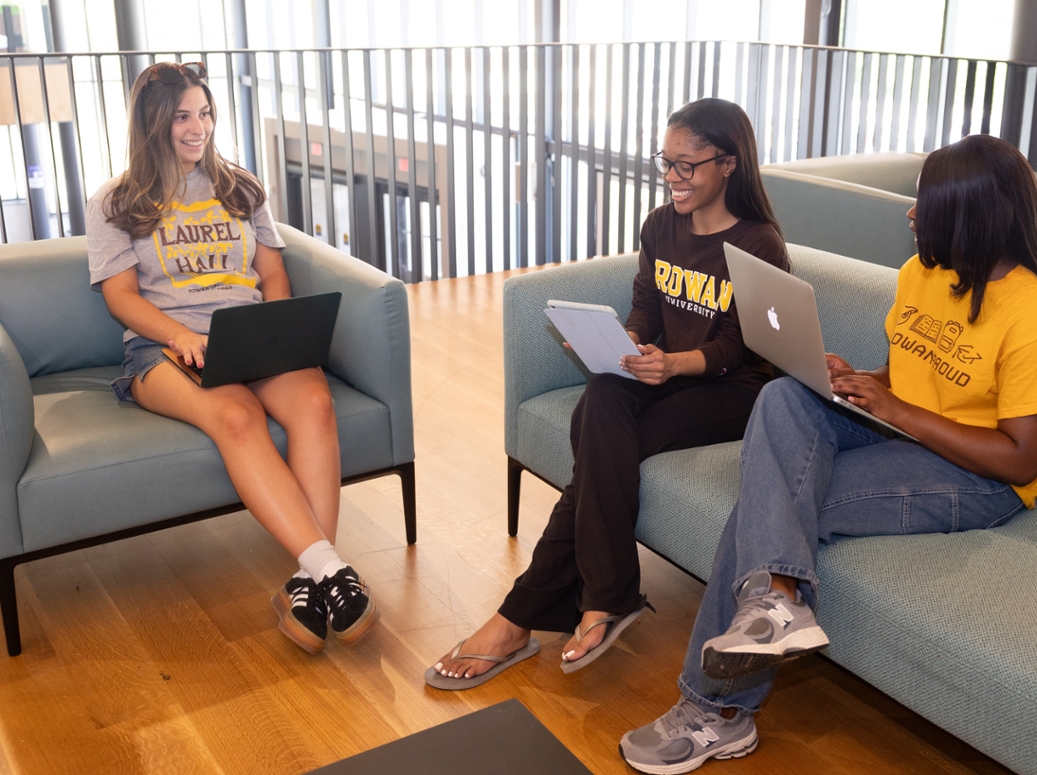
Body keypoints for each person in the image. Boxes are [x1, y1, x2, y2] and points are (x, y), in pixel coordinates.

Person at [619, 134, 1037, 773]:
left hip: (977, 477)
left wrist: (898, 411)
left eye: (926, 203)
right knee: (782, 396)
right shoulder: (925, 273)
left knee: (768, 504)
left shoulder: (1036, 314)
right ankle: (777, 601)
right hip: (900, 431)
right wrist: (859, 380)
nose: (912, 214)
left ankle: (717, 713)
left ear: (972, 213)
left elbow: (1022, 458)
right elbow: (912, 370)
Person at [425, 98, 790, 689]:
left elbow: (739, 348)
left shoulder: (757, 243)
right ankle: (603, 598)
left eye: (687, 165)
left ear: (728, 164)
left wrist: (674, 365)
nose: (672, 178)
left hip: (732, 391)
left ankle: (527, 615)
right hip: (664, 370)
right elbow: (647, 304)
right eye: (665, 162)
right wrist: (628, 340)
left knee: (601, 451)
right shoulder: (660, 223)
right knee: (601, 398)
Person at [86, 61, 379, 656]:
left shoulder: (239, 187)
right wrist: (177, 336)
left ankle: (306, 583)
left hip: (248, 335)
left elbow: (272, 273)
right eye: (183, 117)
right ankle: (331, 568)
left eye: (205, 113)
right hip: (163, 350)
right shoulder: (115, 202)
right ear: (152, 124)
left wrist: (277, 330)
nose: (199, 128)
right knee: (238, 417)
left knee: (316, 402)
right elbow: (120, 297)